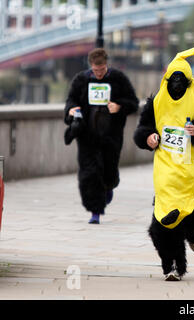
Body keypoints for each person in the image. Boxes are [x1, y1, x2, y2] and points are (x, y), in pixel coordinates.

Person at [133, 47, 194, 281]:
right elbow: (141, 130)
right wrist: (148, 137)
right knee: (160, 228)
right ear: (166, 80)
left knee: (190, 220)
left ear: (188, 81)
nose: (176, 84)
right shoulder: (156, 102)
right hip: (167, 176)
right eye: (172, 79)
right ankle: (172, 267)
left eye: (181, 80)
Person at [64, 48, 139, 224]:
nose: (99, 73)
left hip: (111, 137)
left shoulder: (118, 79)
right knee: (89, 174)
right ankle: (95, 212)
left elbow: (133, 103)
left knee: (108, 173)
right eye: (96, 70)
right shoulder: (81, 80)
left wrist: (119, 107)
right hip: (86, 136)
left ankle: (108, 187)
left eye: (102, 70)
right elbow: (71, 100)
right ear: (91, 66)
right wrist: (71, 110)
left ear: (107, 65)